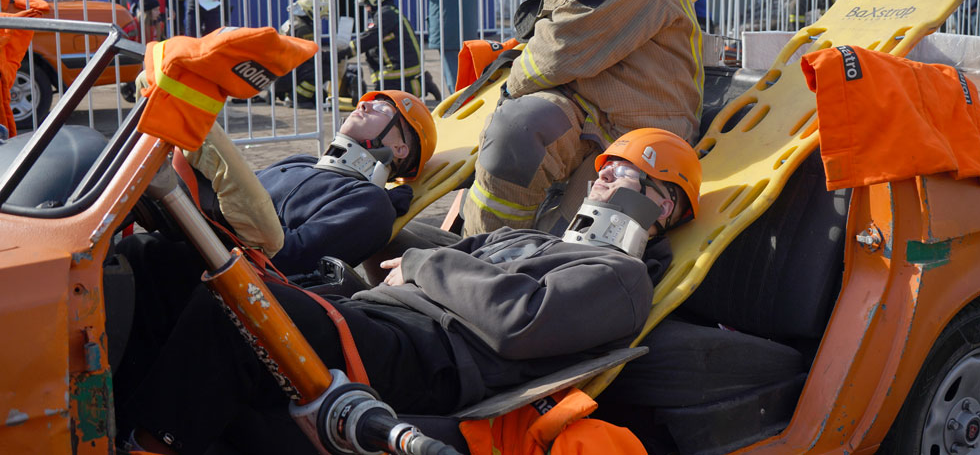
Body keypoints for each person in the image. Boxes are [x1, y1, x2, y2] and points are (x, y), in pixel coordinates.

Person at [115, 128, 700, 454]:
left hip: (427, 356)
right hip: (378, 318)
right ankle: (107, 419)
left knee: (234, 311)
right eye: (603, 166)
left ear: (664, 203)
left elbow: (517, 319)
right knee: (163, 264)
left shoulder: (620, 277)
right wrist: (414, 271)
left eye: (622, 171)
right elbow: (447, 269)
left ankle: (148, 444)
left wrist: (420, 261)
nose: (600, 175)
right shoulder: (533, 240)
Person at [461, 0, 703, 235]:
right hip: (592, 114)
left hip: (642, 132)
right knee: (517, 129)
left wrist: (508, 92)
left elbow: (559, 49)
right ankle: (481, 256)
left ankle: (517, 272)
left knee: (565, 242)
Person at [252, 90, 436, 274]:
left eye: (382, 109)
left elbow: (291, 255)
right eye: (365, 103)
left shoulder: (368, 202)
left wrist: (235, 210)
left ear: (399, 149)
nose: (363, 105)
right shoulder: (300, 162)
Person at [345, 0, 438, 98]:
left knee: (385, 95)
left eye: (367, 4)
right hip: (402, 64)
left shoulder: (386, 14)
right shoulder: (387, 12)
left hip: (402, 67)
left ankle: (421, 86)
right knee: (382, 92)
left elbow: (370, 38)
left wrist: (345, 51)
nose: (367, 9)